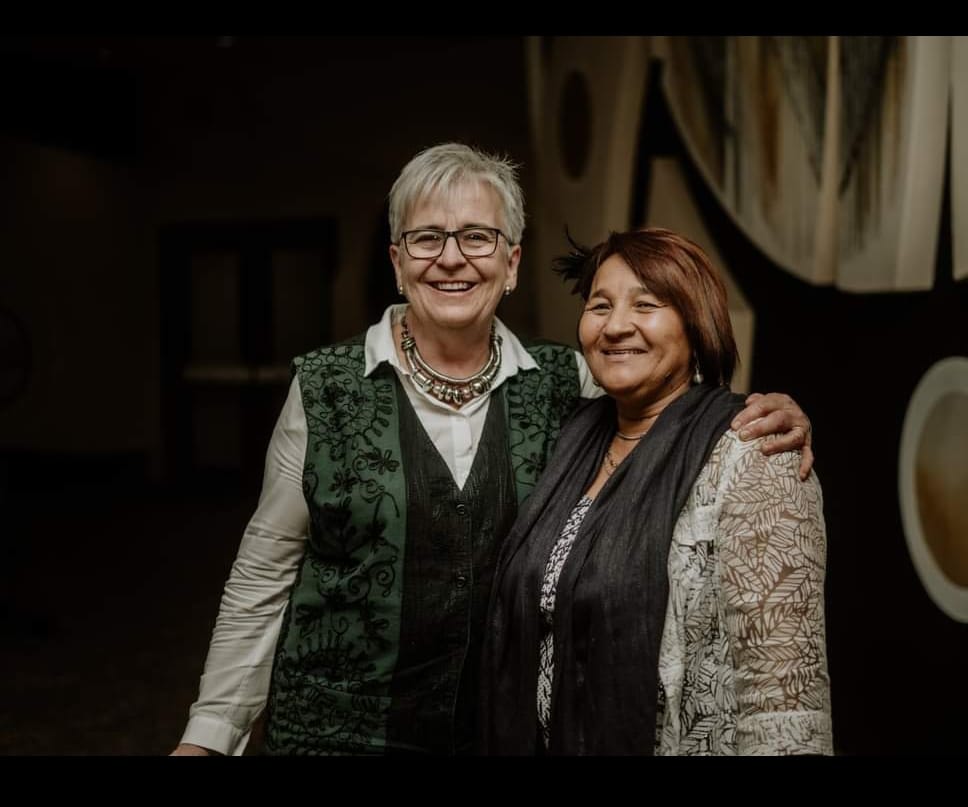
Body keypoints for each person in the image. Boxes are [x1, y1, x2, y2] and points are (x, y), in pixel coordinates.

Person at [171, 145, 815, 756]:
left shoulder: (570, 381)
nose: (452, 259)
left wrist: (756, 411)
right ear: (397, 262)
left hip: (496, 734)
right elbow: (263, 576)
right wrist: (210, 734)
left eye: (477, 237)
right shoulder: (325, 389)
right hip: (334, 735)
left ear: (511, 264)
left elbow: (664, 395)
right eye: (427, 238)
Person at [479, 227, 831, 756]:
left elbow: (785, 701)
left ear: (697, 324)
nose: (616, 325)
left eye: (646, 305)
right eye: (600, 306)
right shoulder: (567, 441)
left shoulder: (755, 456)